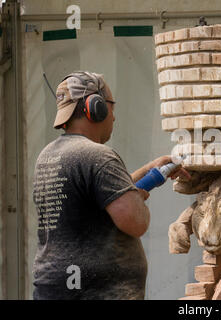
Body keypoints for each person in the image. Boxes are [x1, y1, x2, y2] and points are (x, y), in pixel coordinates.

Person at [32, 71, 190, 300]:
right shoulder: (97, 156)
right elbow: (135, 222)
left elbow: (103, 195)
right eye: (110, 107)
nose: (113, 117)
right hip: (94, 293)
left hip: (58, 287)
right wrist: (137, 202)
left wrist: (150, 170)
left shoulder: (49, 155)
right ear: (95, 107)